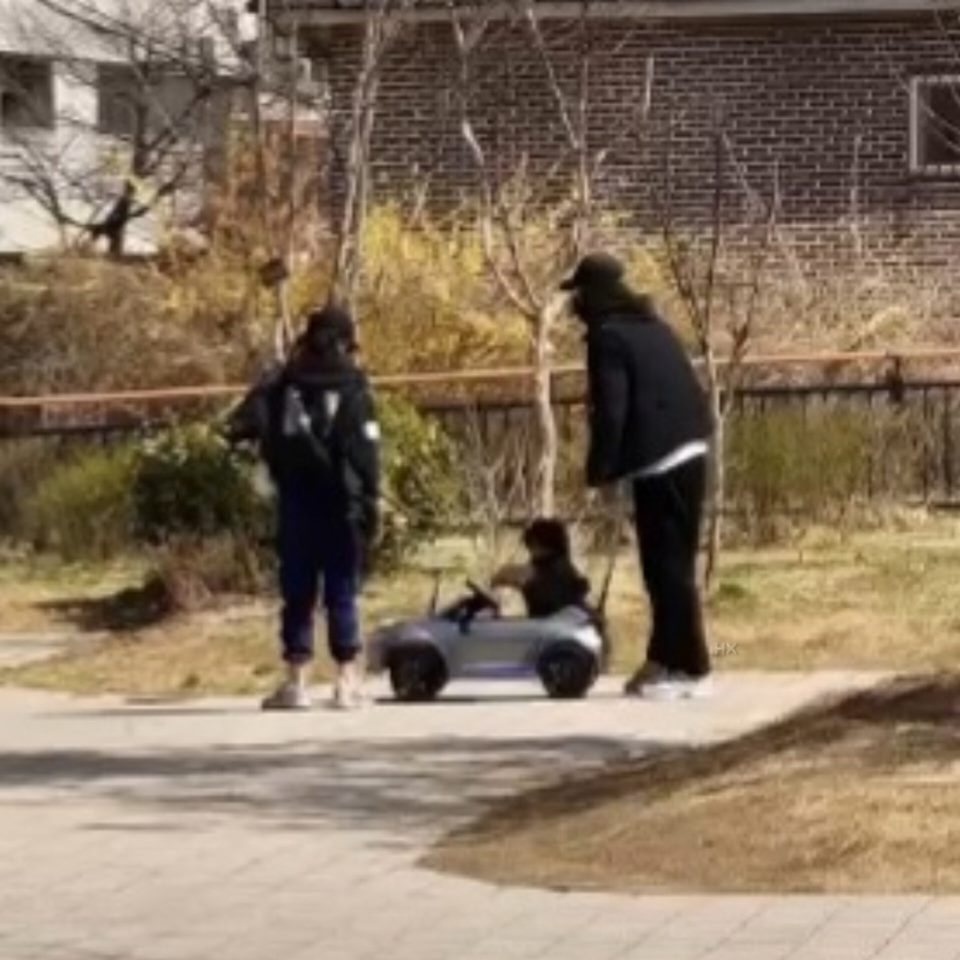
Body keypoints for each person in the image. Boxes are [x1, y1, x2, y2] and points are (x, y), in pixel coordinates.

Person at [561, 253, 713, 700]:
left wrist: (600, 470)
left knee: (667, 568)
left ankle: (691, 669)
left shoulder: (607, 338)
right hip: (690, 445)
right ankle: (664, 659)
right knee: (670, 565)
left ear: (592, 295)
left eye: (579, 295)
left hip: (661, 456)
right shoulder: (652, 325)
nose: (575, 305)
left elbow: (613, 409)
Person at [227, 304, 380, 710]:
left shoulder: (283, 383)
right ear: (346, 342)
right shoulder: (354, 385)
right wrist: (372, 499)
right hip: (342, 502)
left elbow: (243, 425)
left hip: (296, 499)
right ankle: (346, 681)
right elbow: (366, 451)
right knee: (341, 591)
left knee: (298, 592)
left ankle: (297, 681)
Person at [492, 518, 590, 619]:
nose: (530, 555)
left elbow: (505, 574)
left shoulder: (549, 571)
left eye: (531, 547)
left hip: (551, 630)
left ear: (536, 544)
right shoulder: (567, 569)